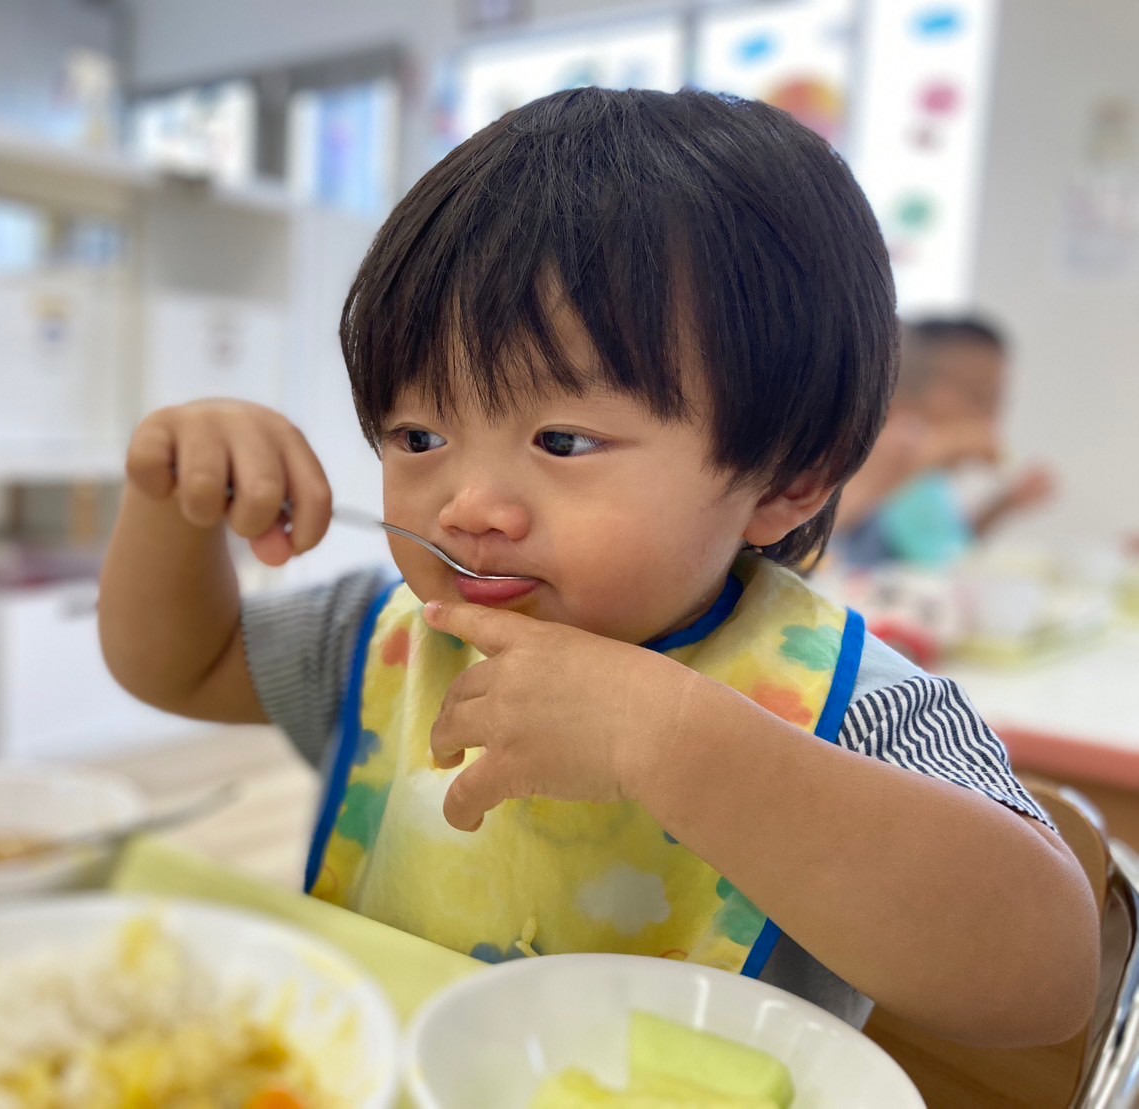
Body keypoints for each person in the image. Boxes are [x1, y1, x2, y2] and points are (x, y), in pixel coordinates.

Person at [99, 88, 1096, 1046]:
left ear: (786, 478)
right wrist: (172, 503)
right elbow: (182, 664)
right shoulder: (384, 635)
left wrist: (673, 741)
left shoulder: (855, 706)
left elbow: (1045, 978)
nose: (467, 505)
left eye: (563, 441)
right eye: (418, 436)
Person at [835, 317, 1056, 567]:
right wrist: (936, 450)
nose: (991, 416)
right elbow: (818, 533)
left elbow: (948, 550)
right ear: (907, 388)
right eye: (979, 397)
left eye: (998, 401)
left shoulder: (930, 481)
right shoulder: (877, 452)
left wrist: (1004, 504)